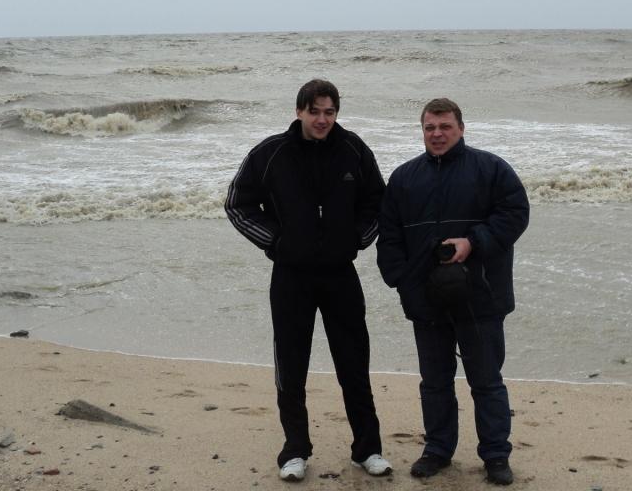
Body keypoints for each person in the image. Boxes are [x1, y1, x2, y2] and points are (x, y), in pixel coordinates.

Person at [225, 79, 392, 482]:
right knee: (291, 365)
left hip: (340, 274)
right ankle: (295, 450)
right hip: (291, 275)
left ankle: (367, 449)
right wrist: (276, 242)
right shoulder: (270, 153)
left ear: (337, 113)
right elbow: (237, 204)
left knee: (354, 363)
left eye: (329, 112)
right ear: (299, 111)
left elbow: (378, 202)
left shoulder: (353, 149)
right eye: (314, 111)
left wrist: (357, 238)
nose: (322, 119)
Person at [376, 98, 529, 486]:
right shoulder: (404, 178)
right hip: (426, 298)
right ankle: (438, 450)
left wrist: (473, 242)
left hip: (481, 295)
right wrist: (402, 281)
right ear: (422, 131)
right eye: (430, 127)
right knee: (434, 382)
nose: (437, 134)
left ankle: (495, 455)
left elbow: (515, 213)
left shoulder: (491, 169)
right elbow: (389, 237)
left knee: (486, 381)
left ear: (461, 128)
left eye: (445, 126)